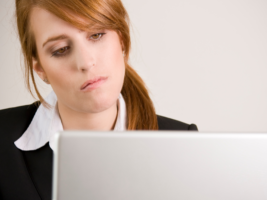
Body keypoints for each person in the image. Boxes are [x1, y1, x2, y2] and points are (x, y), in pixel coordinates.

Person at [0, 0, 198, 199]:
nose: (86, 62)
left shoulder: (184, 147)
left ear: (121, 38)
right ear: (40, 68)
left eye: (96, 35)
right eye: (61, 49)